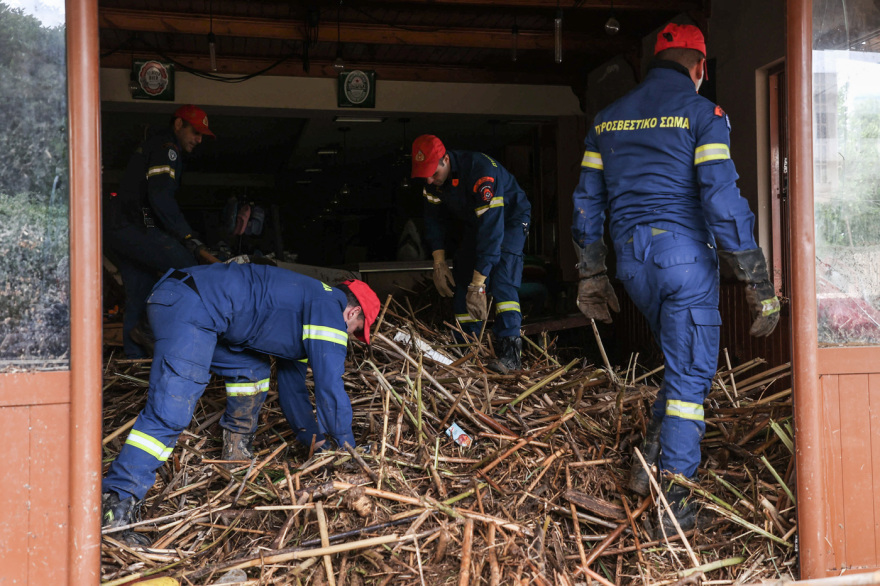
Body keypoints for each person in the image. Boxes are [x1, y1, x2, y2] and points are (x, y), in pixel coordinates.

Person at [570, 23, 780, 535]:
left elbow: (586, 203)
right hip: (683, 260)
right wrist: (757, 278)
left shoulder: (606, 121)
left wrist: (591, 273)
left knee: (681, 361)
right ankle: (675, 507)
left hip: (632, 266)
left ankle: (649, 461)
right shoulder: (703, 114)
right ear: (700, 67)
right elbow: (721, 199)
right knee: (690, 380)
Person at [101, 263, 380, 546]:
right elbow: (329, 385)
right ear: (353, 311)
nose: (349, 336)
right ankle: (116, 505)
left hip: (188, 300)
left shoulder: (305, 310)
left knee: (252, 372)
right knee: (169, 412)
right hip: (192, 305)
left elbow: (294, 392)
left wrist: (315, 442)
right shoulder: (328, 307)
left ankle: (235, 456)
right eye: (354, 330)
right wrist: (348, 450)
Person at [411, 135, 531, 373]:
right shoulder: (431, 180)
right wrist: (438, 262)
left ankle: (510, 353)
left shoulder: (481, 172)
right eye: (424, 173)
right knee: (462, 273)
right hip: (476, 222)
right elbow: (433, 220)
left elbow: (493, 232)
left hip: (509, 221)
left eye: (434, 173)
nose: (428, 179)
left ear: (446, 159)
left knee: (501, 279)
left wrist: (479, 284)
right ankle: (466, 346)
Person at [104, 104, 216, 358]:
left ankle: (135, 362)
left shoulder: (153, 146)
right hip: (134, 228)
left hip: (119, 230)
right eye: (195, 132)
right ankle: (148, 332)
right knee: (189, 271)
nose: (198, 140)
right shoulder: (168, 150)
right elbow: (161, 196)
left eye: (202, 136)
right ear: (178, 125)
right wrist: (188, 238)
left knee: (139, 293)